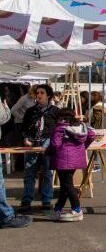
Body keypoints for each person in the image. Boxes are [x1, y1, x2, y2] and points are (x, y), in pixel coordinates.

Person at [47, 108, 96, 222]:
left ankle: (77, 209)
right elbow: (92, 135)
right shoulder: (82, 126)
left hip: (62, 159)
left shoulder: (60, 128)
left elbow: (55, 144)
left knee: (67, 185)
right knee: (65, 185)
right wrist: (83, 147)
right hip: (76, 159)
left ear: (60, 117)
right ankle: (58, 208)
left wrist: (47, 152)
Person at [19, 84, 60, 213]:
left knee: (48, 173)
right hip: (32, 142)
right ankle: (26, 201)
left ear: (48, 95)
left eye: (42, 93)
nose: (39, 95)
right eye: (37, 93)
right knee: (29, 173)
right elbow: (23, 128)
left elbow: (58, 129)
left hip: (47, 143)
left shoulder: (55, 111)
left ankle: (46, 200)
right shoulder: (30, 111)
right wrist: (25, 138)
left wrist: (52, 143)